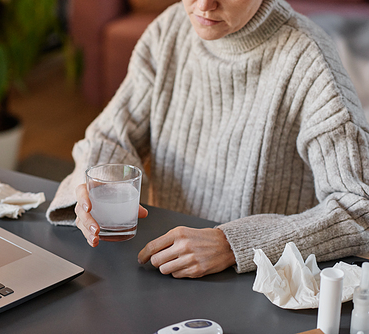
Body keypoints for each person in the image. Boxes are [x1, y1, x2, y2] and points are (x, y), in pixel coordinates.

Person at [46, 0, 369, 278]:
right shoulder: (171, 27)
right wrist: (95, 185)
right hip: (169, 263)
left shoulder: (309, 59)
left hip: (257, 283)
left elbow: (360, 208)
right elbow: (113, 134)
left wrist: (233, 244)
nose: (203, 6)